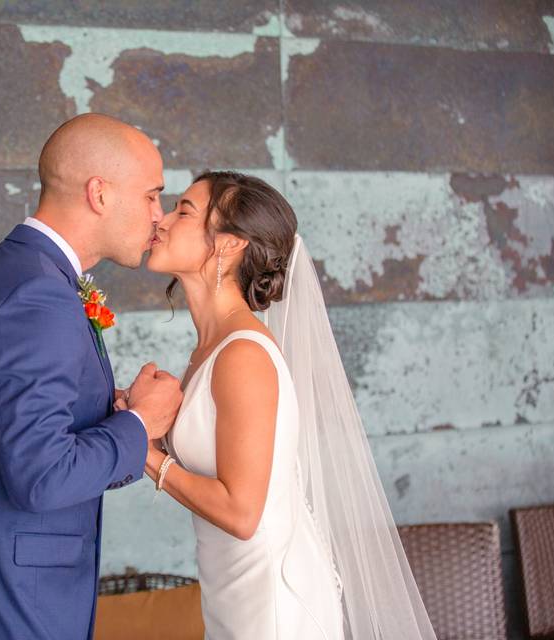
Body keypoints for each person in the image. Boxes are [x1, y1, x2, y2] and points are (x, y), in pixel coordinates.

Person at [118, 171, 437, 639]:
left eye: (183, 210)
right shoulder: (211, 348)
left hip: (271, 602)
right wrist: (140, 416)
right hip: (232, 590)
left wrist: (139, 443)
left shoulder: (243, 354)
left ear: (228, 245)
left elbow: (243, 513)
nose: (161, 221)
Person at [0, 113, 183, 640]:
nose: (159, 216)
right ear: (99, 194)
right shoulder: (39, 295)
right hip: (1, 605)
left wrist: (114, 415)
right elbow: (41, 476)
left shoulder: (26, 274)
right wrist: (140, 424)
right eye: (151, 195)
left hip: (2, 593)